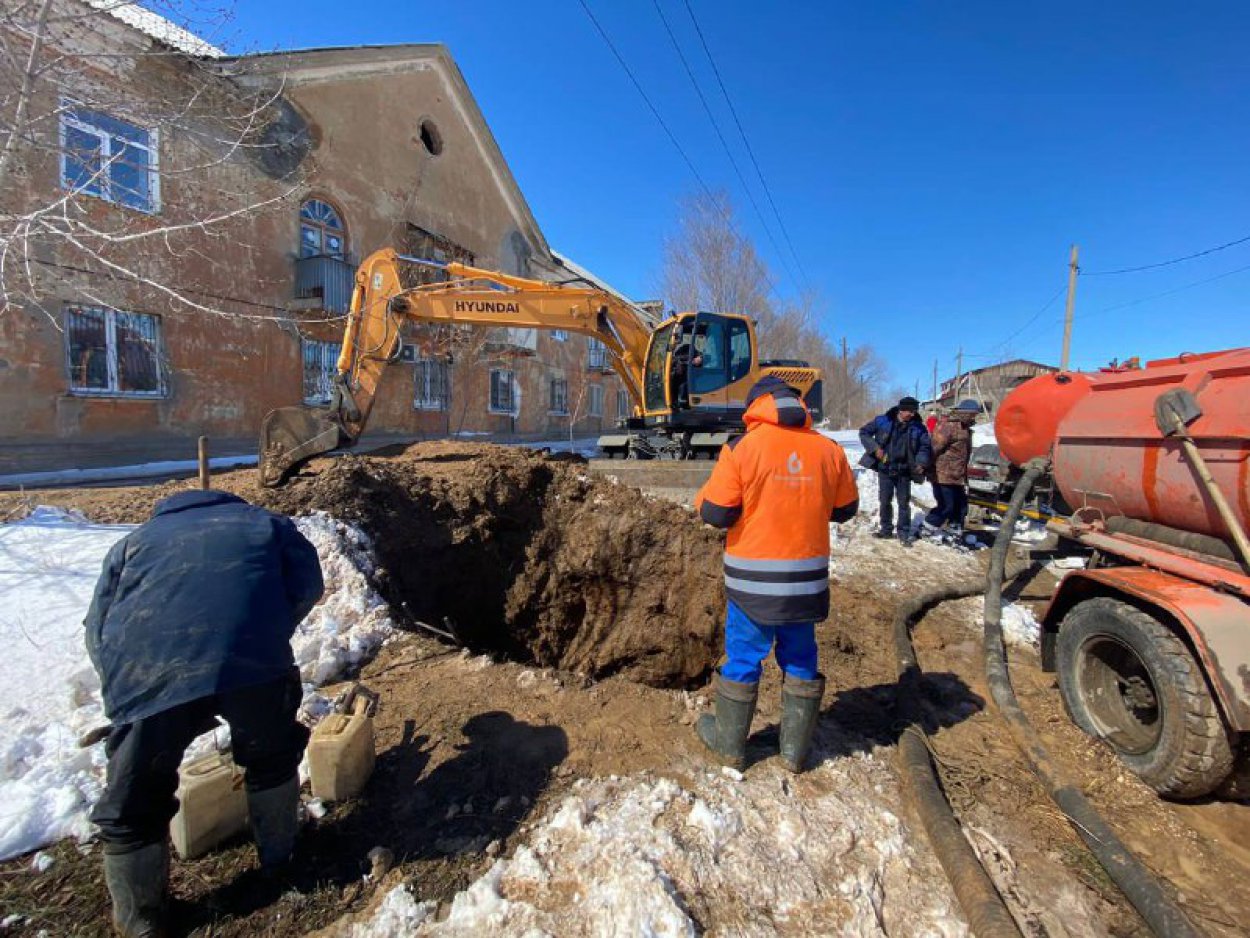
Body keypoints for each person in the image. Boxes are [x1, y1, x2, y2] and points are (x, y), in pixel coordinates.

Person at [84, 490, 324, 937]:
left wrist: (125, 692)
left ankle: (140, 919)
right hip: (253, 662)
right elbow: (308, 585)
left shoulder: (132, 543)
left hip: (144, 674)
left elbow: (97, 628)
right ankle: (281, 857)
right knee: (270, 754)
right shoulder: (266, 524)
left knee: (134, 795)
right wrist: (264, 629)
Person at [694, 376, 859, 773]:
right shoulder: (829, 449)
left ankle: (730, 744)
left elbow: (715, 513)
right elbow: (845, 509)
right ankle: (793, 752)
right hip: (806, 586)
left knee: (744, 657)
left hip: (752, 586)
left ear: (755, 407)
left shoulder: (742, 448)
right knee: (801, 656)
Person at [858, 395, 933, 546]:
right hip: (885, 468)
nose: (912, 415)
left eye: (914, 412)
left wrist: (921, 462)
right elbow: (864, 432)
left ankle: (903, 533)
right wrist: (874, 448)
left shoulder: (918, 427)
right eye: (910, 412)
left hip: (904, 470)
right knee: (885, 500)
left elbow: (925, 447)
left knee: (903, 503)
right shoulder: (883, 421)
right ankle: (886, 530)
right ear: (901, 410)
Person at [924, 398, 979, 537]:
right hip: (943, 474)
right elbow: (933, 448)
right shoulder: (948, 426)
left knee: (961, 506)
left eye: (975, 415)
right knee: (946, 506)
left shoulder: (965, 427)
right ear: (965, 413)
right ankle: (926, 528)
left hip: (957, 475)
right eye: (973, 414)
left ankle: (954, 530)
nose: (974, 417)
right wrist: (924, 466)